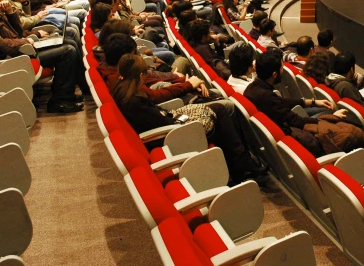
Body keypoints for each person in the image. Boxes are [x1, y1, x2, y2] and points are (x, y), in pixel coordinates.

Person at [111, 53, 267, 182]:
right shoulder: (135, 100)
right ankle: (241, 162)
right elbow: (162, 122)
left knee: (218, 108)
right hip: (173, 135)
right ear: (140, 76)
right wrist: (183, 116)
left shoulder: (122, 90)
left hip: (169, 126)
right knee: (219, 112)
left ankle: (239, 162)